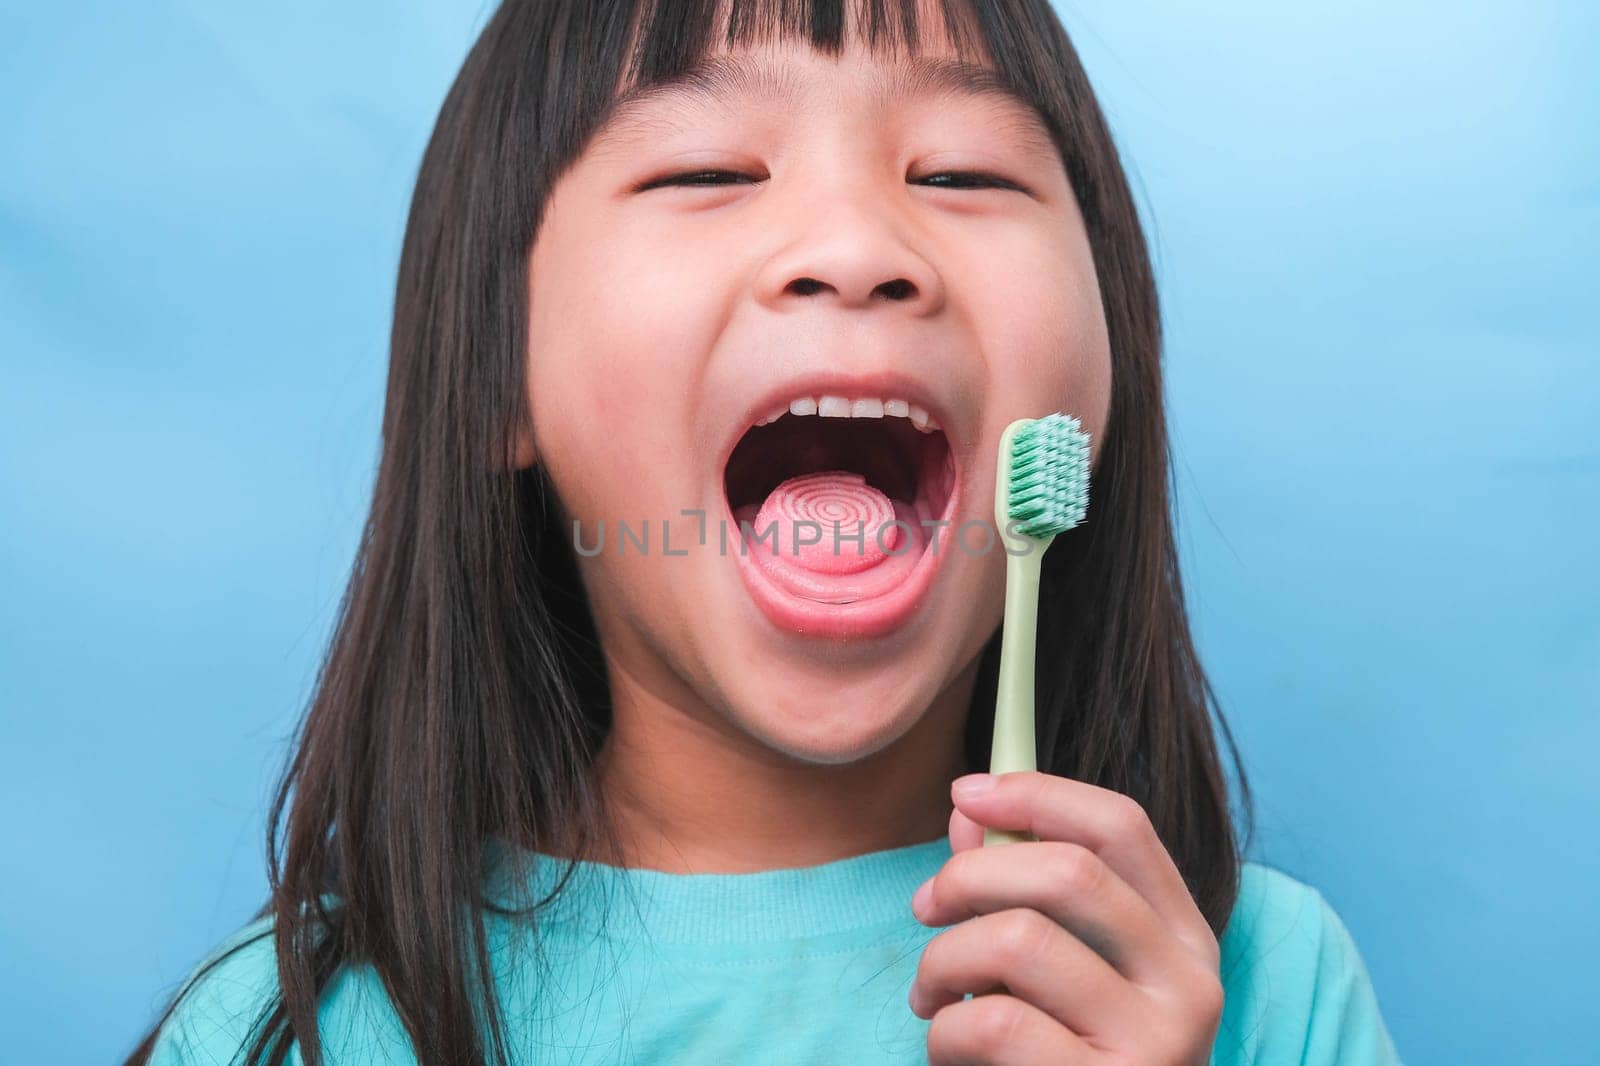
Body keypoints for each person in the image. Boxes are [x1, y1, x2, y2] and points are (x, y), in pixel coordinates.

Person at [126, 0, 1404, 1062]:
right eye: (706, 171)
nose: (854, 248)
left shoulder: (1260, 987)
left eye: (961, 171)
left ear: (1099, 373)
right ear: (495, 378)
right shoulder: (285, 1030)